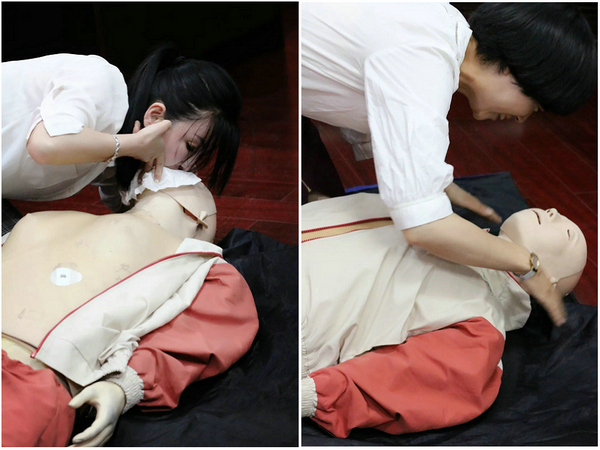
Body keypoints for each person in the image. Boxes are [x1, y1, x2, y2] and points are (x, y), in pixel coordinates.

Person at [301, 3, 596, 326]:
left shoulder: (443, 28)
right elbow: (423, 227)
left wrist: (434, 180)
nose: (523, 117)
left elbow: (394, 120)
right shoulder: (424, 64)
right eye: (535, 106)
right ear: (513, 70)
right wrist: (529, 265)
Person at [2, 170, 258, 447]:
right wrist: (122, 387)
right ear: (200, 221)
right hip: (29, 384)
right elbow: (210, 327)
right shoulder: (201, 262)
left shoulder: (35, 221)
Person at [300, 193, 587, 438]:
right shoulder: (444, 220)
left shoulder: (481, 326)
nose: (554, 211)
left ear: (549, 283)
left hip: (302, 312)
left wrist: (305, 395)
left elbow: (392, 380)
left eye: (567, 233)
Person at [2, 44, 241, 212]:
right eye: (191, 146)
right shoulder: (99, 80)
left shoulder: (113, 157)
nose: (188, 167)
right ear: (155, 117)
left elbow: (129, 215)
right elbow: (45, 145)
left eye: (199, 160)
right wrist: (133, 145)